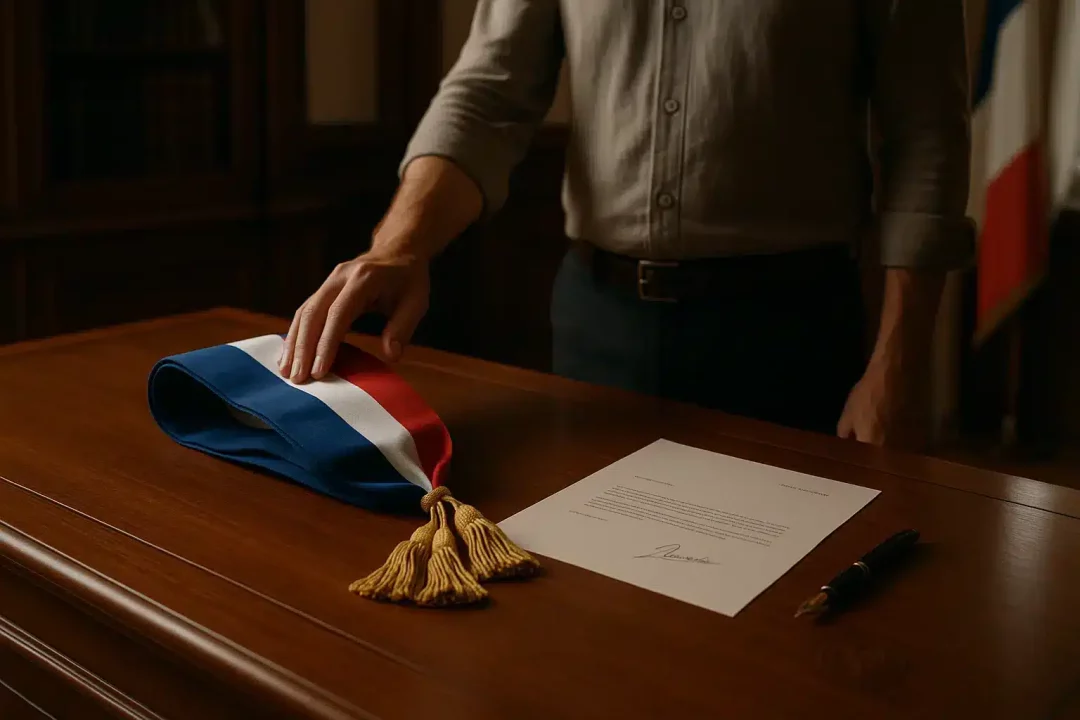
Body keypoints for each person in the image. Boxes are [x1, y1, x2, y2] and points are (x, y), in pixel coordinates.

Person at [279, 1, 974, 451]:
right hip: (599, 326)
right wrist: (398, 248)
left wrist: (900, 362)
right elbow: (488, 94)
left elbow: (926, 135)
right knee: (597, 626)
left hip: (789, 335)